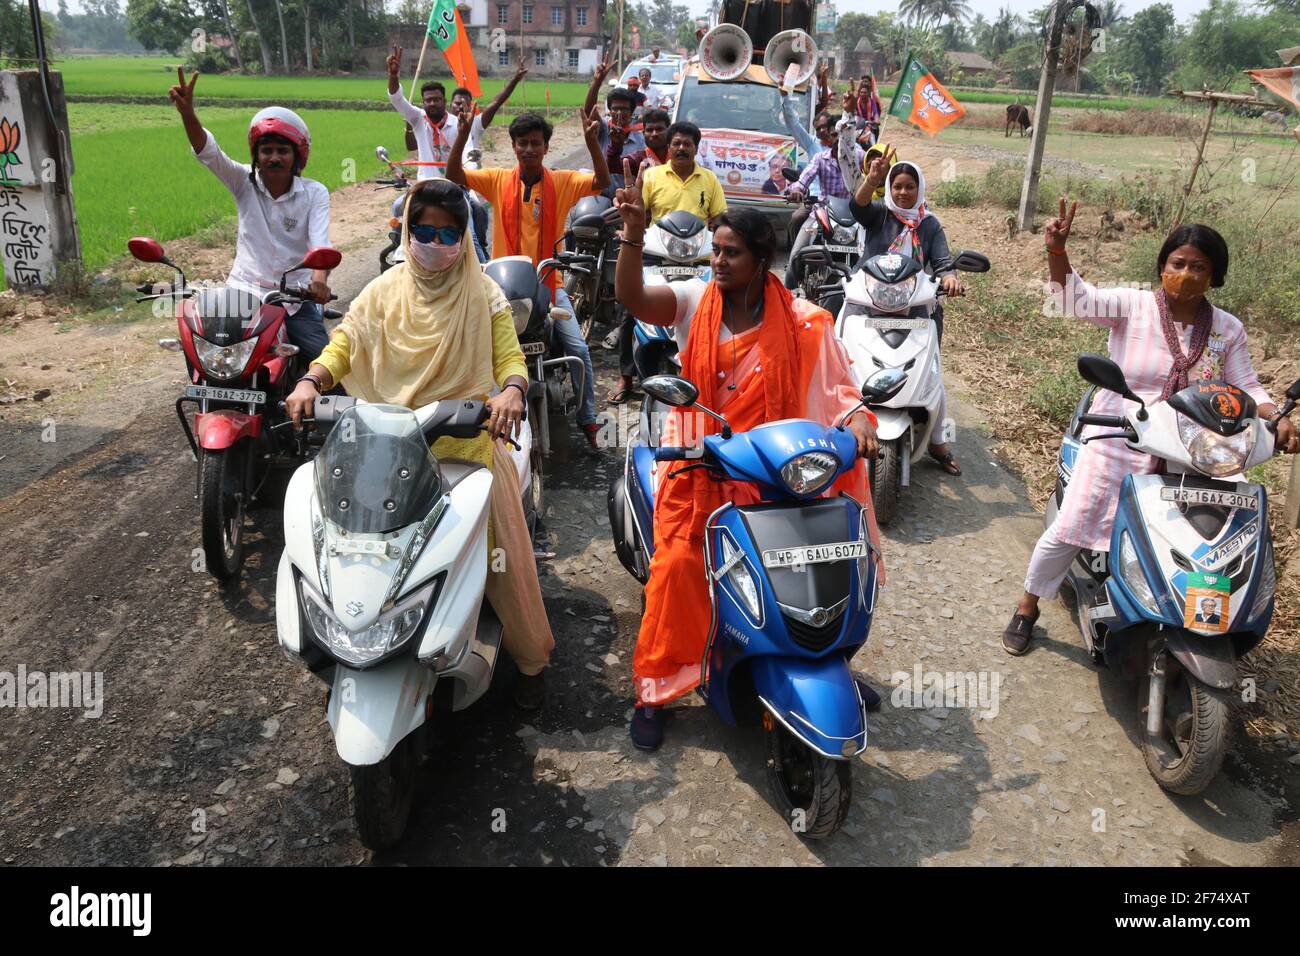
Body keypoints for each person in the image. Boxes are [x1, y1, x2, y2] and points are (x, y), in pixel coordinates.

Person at [612, 166, 884, 749]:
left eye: (731, 253)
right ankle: (658, 686)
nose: (718, 262)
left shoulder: (804, 320)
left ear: (763, 259)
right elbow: (631, 296)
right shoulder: (691, 303)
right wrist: (634, 236)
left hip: (774, 467)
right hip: (700, 459)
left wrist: (858, 417)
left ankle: (822, 659)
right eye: (715, 251)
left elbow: (840, 386)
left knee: (822, 553)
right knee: (679, 566)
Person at [283, 179, 555, 708]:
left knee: (499, 556)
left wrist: (514, 391)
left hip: (464, 444)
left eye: (449, 233)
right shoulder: (382, 291)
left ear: (465, 238)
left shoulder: (484, 295)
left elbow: (509, 359)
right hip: (385, 443)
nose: (436, 242)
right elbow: (345, 343)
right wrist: (311, 380)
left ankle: (523, 655)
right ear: (407, 231)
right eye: (424, 230)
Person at [1001, 205, 1299, 655]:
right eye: (1178, 264)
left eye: (1198, 267)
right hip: (1120, 435)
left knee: (1206, 535)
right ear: (1162, 267)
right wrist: (1057, 249)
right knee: (1072, 525)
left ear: (1215, 276)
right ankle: (1027, 606)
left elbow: (1248, 385)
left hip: (1196, 448)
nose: (1186, 274)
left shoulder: (1227, 330)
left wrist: (1275, 416)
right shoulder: (1133, 305)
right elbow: (1073, 299)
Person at [446, 108, 610, 449]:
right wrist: (461, 136)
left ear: (546, 147)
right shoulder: (496, 180)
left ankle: (589, 419)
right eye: (522, 143)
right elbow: (454, 175)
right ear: (513, 146)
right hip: (504, 286)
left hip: (549, 284)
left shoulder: (561, 181)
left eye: (536, 143)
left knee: (578, 349)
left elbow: (602, 182)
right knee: (472, 345)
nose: (529, 149)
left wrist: (593, 143)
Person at [168, 68, 334, 362]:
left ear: (297, 156)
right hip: (243, 294)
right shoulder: (242, 181)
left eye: (282, 150)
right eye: (266, 150)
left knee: (323, 363)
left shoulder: (315, 193)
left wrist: (318, 281)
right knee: (208, 354)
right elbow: (209, 152)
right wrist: (187, 114)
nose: (273, 157)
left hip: (294, 299)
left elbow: (320, 246)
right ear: (255, 156)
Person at [851, 156, 964, 476]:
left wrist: (950, 277)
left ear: (920, 189)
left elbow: (943, 262)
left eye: (909, 186)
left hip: (915, 304)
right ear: (889, 188)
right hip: (868, 300)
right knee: (839, 355)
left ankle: (938, 443)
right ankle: (837, 417)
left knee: (932, 376)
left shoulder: (929, 223)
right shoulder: (878, 214)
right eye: (897, 186)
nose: (902, 192)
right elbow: (857, 208)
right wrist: (872, 179)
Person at [606, 109, 672, 405]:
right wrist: (615, 144)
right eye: (650, 130)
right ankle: (626, 376)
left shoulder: (689, 167)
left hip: (686, 248)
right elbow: (612, 166)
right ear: (644, 132)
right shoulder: (637, 161)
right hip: (646, 245)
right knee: (630, 308)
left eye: (660, 129)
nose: (655, 134)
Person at [783, 110, 865, 290]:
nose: (839, 138)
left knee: (874, 254)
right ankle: (788, 294)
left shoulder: (859, 156)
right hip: (822, 214)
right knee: (797, 254)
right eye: (835, 134)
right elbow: (804, 178)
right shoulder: (820, 158)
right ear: (830, 135)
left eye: (843, 134)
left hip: (855, 218)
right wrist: (797, 190)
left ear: (849, 135)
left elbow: (876, 173)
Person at [639, 121, 727, 227]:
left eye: (687, 144)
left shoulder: (710, 178)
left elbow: (719, 215)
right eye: (676, 143)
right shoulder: (652, 175)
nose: (681, 148)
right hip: (659, 241)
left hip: (697, 241)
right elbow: (637, 210)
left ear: (696, 150)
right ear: (668, 148)